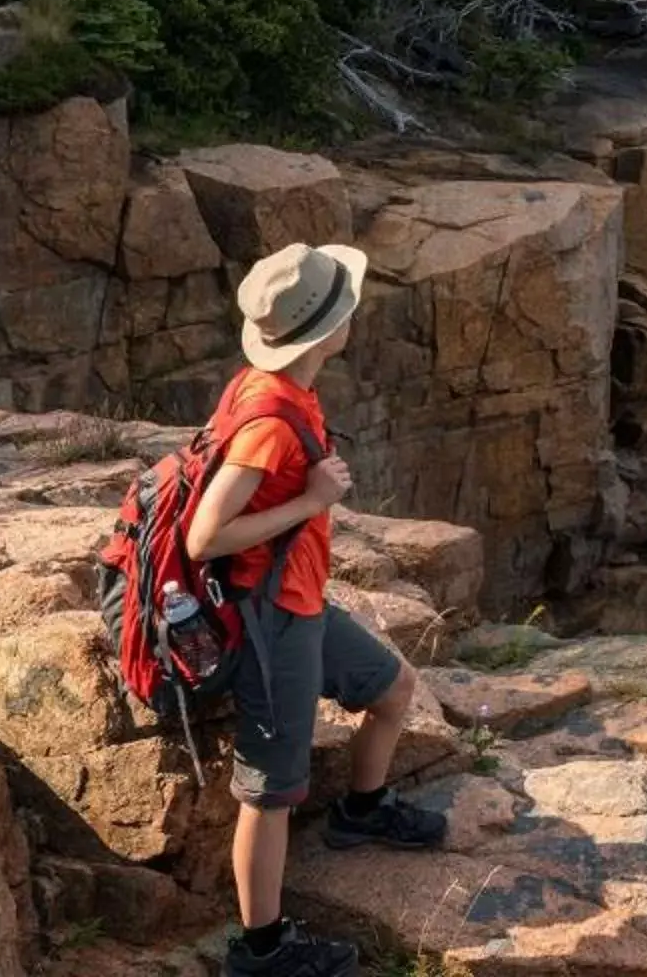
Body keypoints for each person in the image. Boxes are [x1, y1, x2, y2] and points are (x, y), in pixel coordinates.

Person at [186, 242, 449, 977]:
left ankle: (362, 812)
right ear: (324, 329)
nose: (355, 311)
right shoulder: (270, 420)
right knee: (270, 790)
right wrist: (311, 501)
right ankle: (261, 950)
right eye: (347, 303)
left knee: (393, 688)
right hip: (268, 619)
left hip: (298, 599)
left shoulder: (280, 385)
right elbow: (205, 536)